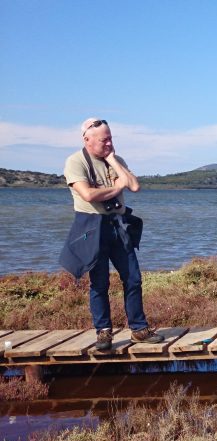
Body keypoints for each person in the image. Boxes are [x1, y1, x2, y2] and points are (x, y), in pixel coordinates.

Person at [59, 118, 163, 350]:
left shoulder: (116, 160)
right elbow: (88, 195)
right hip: (91, 226)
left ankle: (138, 329)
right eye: (104, 140)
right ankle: (103, 332)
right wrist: (117, 187)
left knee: (133, 278)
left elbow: (134, 186)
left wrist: (112, 160)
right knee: (99, 282)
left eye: (111, 138)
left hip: (118, 224)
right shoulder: (75, 162)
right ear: (87, 140)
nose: (109, 143)